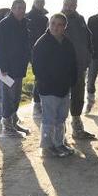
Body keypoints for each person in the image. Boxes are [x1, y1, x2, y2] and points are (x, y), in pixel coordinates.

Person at [32, 13, 78, 158]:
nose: (56, 27)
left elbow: (73, 63)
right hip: (49, 88)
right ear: (49, 24)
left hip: (64, 88)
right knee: (49, 119)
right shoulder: (42, 43)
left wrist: (72, 81)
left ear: (65, 27)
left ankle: (59, 143)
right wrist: (48, 82)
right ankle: (47, 146)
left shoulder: (67, 43)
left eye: (59, 25)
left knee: (61, 117)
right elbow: (37, 68)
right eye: (53, 23)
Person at [0, 0, 32, 138]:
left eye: (23, 8)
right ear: (12, 9)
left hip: (19, 67)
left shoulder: (24, 24)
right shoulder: (4, 24)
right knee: (7, 97)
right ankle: (7, 126)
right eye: (18, 8)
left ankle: (14, 122)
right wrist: (3, 66)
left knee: (16, 96)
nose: (21, 10)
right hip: (6, 69)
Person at [61, 0, 96, 140]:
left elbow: (88, 39)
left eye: (73, 5)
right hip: (63, 68)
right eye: (67, 4)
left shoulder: (81, 19)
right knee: (61, 99)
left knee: (78, 98)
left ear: (76, 5)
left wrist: (88, 56)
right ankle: (59, 134)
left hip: (80, 66)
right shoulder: (58, 19)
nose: (70, 7)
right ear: (63, 4)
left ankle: (77, 128)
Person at [26, 0, 48, 123]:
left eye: (42, 1)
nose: (40, 3)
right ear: (34, 2)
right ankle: (36, 105)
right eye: (38, 1)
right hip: (33, 52)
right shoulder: (28, 16)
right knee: (38, 77)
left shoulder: (45, 18)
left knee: (43, 77)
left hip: (45, 52)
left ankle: (41, 103)